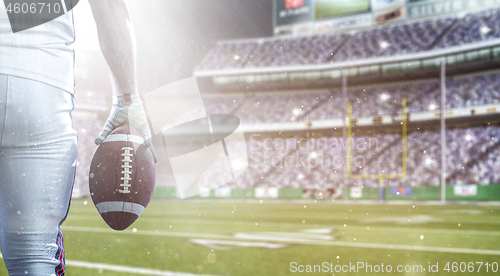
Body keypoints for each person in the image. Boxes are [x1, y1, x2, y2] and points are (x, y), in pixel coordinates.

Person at [0, 1, 156, 275]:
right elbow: (109, 6)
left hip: (42, 79)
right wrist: (126, 99)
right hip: (40, 83)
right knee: (34, 255)